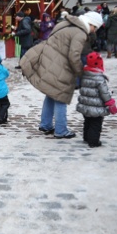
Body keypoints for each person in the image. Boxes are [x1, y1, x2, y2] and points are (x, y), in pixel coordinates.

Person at [21, 11, 104, 139]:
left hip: (49, 61)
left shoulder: (66, 23)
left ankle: (46, 124)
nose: (94, 31)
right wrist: (80, 72)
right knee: (61, 97)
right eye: (95, 27)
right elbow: (74, 56)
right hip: (60, 66)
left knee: (51, 94)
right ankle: (61, 130)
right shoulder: (80, 33)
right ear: (91, 23)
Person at [76, 52, 117, 148]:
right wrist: (110, 102)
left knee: (88, 122)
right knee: (95, 124)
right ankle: (93, 141)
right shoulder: (99, 79)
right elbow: (104, 93)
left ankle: (86, 137)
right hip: (96, 106)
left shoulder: (84, 74)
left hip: (86, 105)